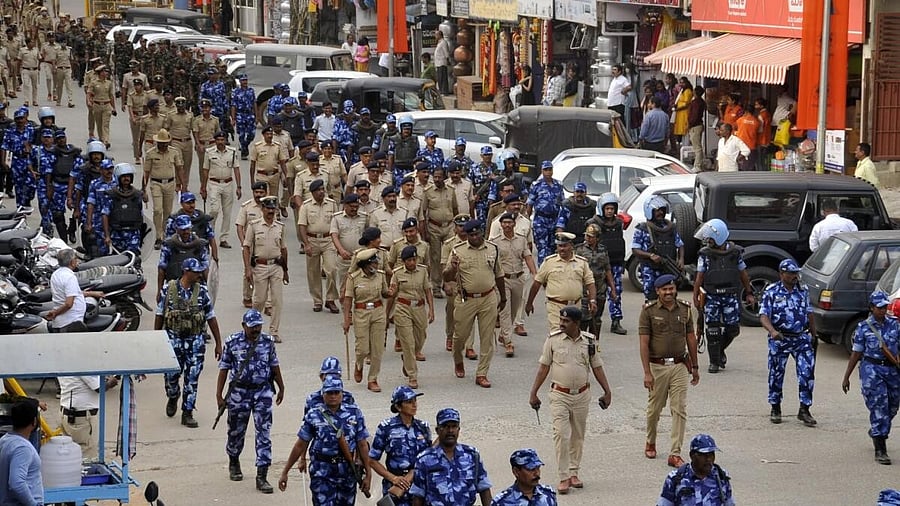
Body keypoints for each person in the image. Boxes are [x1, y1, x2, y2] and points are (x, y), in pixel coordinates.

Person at [528, 306, 612, 495]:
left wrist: (607, 391)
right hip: (559, 394)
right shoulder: (553, 340)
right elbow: (543, 368)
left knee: (578, 435)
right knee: (561, 434)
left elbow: (597, 367)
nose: (562, 324)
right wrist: (534, 392)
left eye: (566, 321)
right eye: (561, 320)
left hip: (582, 395)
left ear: (576, 323)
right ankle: (564, 476)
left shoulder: (589, 342)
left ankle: (574, 472)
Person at [217, 308, 284, 492]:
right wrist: (219, 395)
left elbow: (274, 364)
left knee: (264, 434)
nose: (256, 330)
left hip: (262, 392)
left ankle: (262, 476)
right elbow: (223, 368)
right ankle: (234, 460)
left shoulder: (267, 342)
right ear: (244, 326)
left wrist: (281, 387)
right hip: (239, 393)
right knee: (236, 431)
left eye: (258, 326)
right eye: (252, 327)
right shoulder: (232, 342)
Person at [278, 377, 372, 503]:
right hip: (322, 472)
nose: (333, 396)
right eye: (329, 393)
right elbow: (300, 445)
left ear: (342, 394)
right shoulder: (313, 415)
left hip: (347, 472)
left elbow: (362, 444)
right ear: (323, 394)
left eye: (336, 392)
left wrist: (368, 473)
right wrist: (285, 471)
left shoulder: (354, 413)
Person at [639, 274, 700, 468]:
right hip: (657, 367)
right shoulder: (648, 311)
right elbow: (644, 343)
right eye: (664, 289)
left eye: (671, 289)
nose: (669, 292)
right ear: (657, 291)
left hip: (680, 365)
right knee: (654, 410)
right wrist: (647, 372)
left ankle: (675, 453)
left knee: (679, 409)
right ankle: (651, 440)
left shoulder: (685, 309)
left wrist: (695, 366)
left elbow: (691, 338)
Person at [156, 258, 222, 428]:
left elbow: (211, 317)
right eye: (196, 272)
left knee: (192, 378)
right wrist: (156, 341)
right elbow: (159, 315)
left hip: (195, 341)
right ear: (186, 271)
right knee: (171, 377)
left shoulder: (202, 292)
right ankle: (173, 395)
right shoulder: (168, 289)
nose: (200, 274)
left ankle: (187, 412)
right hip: (173, 340)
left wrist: (218, 343)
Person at [444, 220, 507, 388]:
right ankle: (458, 360)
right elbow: (447, 277)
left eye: (477, 234)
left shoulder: (492, 249)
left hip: (488, 297)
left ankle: (482, 373)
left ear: (481, 233)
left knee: (487, 338)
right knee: (460, 336)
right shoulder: (458, 250)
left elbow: (499, 273)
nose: (474, 237)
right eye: (470, 235)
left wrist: (503, 297)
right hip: (466, 299)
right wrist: (453, 267)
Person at [842, 290, 900, 465]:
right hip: (872, 370)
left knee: (892, 407)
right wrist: (847, 377)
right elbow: (856, 353)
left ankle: (877, 429)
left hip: (892, 371)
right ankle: (880, 446)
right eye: (879, 307)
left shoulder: (895, 324)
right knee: (879, 407)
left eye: (885, 307)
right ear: (871, 308)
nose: (883, 310)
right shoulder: (864, 327)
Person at [759, 259, 817, 427]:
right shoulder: (771, 291)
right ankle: (775, 407)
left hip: (801, 338)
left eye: (795, 273)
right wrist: (772, 331)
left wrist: (814, 335)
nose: (794, 276)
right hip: (780, 338)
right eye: (790, 273)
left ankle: (804, 409)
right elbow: (763, 316)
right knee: (776, 374)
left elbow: (809, 312)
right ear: (781, 274)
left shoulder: (803, 290)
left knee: (807, 374)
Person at [692, 219, 754, 373]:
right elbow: (699, 276)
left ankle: (719, 349)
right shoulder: (705, 254)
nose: (707, 241)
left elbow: (743, 274)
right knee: (712, 329)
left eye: (710, 238)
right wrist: (696, 295)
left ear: (719, 237)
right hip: (712, 296)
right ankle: (714, 361)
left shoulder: (735, 253)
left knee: (733, 329)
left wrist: (749, 292)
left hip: (730, 295)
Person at [409, 408, 492, 506]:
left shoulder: (472, 455)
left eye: (454, 426)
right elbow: (418, 496)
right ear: (437, 430)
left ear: (459, 429)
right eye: (445, 426)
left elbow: (484, 489)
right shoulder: (424, 459)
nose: (450, 431)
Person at [369, 386, 432, 505]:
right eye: (409, 402)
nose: (414, 405)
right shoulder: (386, 427)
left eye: (415, 401)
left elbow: (429, 456)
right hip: (395, 484)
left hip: (419, 485)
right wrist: (393, 478)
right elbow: (372, 460)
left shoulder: (423, 427)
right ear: (398, 406)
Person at [342, 248, 393, 392]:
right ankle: (359, 364)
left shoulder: (380, 276)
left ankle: (373, 379)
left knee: (377, 349)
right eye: (374, 263)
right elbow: (348, 300)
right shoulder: (354, 278)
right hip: (361, 312)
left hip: (378, 312)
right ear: (366, 264)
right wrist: (347, 319)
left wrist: (391, 292)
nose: (377, 265)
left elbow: (385, 293)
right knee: (362, 348)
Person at [526, 232, 596, 332]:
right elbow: (537, 283)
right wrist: (529, 303)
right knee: (558, 334)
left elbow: (590, 283)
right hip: (555, 306)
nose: (562, 249)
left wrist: (592, 300)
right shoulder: (549, 262)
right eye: (559, 246)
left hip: (575, 306)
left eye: (565, 246)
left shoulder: (582, 262)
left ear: (571, 246)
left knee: (573, 334)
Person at [242, 196, 288, 341]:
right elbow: (246, 248)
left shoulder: (280, 227)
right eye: (268, 208)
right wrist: (248, 268)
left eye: (273, 209)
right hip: (260, 267)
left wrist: (286, 270)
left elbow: (284, 249)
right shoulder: (254, 226)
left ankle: (274, 331)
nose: (270, 211)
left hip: (276, 266)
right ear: (262, 209)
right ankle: (252, 327)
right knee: (259, 300)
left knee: (277, 300)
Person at [390, 245, 434, 387]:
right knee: (408, 342)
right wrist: (386, 314)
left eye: (414, 259)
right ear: (403, 261)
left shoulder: (422, 271)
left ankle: (409, 358)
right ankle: (412, 375)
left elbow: (427, 290)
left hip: (419, 307)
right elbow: (392, 295)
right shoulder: (397, 273)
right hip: (403, 307)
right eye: (409, 260)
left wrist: (431, 309)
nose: (412, 263)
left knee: (420, 337)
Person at [496, 212, 537, 357]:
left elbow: (528, 257)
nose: (507, 225)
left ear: (514, 224)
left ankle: (504, 333)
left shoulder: (521, 240)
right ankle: (508, 342)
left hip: (518, 278)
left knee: (514, 309)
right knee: (505, 310)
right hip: (503, 279)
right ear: (501, 225)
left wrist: (534, 273)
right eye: (504, 223)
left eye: (510, 222)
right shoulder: (495, 242)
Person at [586, 192, 628, 335]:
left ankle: (616, 321)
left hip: (615, 263)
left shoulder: (618, 223)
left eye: (612, 208)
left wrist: (622, 262)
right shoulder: (594, 223)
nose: (610, 211)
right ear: (602, 208)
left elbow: (620, 242)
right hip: (598, 264)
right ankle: (590, 320)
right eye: (607, 208)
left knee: (616, 293)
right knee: (595, 293)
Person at [632, 196, 684, 302]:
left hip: (668, 267)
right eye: (657, 211)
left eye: (662, 210)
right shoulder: (642, 229)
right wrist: (650, 255)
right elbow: (635, 249)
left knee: (670, 296)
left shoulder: (671, 228)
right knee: (651, 297)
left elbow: (680, 244)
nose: (660, 213)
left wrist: (681, 259)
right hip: (650, 268)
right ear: (649, 211)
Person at [657, 434, 734, 506]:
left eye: (711, 454)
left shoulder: (721, 477)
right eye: (704, 455)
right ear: (692, 456)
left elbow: (729, 503)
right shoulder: (675, 478)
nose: (709, 459)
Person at [299, 178, 340, 312]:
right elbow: (302, 226)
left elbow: (337, 222)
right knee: (313, 272)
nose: (321, 192)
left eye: (322, 189)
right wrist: (306, 244)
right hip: (312, 240)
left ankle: (330, 298)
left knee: (332, 269)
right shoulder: (306, 206)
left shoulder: (332, 204)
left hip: (328, 240)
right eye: (318, 190)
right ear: (312, 193)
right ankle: (317, 300)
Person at [58, 372, 118, 460]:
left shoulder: (64, 362)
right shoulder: (82, 365)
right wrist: (111, 383)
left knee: (70, 454)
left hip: (68, 412)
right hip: (81, 417)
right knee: (86, 456)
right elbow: (99, 387)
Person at [143, 128, 185, 248]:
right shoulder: (151, 153)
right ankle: (158, 236)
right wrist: (143, 189)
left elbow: (179, 169)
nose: (163, 145)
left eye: (165, 143)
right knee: (157, 210)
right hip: (156, 183)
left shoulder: (174, 152)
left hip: (170, 183)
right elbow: (146, 172)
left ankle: (166, 234)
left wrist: (183, 186)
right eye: (161, 143)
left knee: (167, 211)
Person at [574, 224, 618, 337]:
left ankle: (594, 344)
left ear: (597, 238)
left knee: (596, 319)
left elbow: (607, 270)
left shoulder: (603, 250)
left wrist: (612, 289)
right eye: (587, 236)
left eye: (591, 236)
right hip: (584, 291)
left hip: (600, 289)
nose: (588, 238)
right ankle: (582, 343)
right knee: (583, 319)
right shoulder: (579, 249)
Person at [45, 248, 101, 332]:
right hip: (70, 322)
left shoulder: (56, 274)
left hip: (62, 321)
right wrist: (55, 313)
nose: (77, 260)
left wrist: (92, 293)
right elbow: (68, 304)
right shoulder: (69, 277)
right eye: (75, 258)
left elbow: (74, 293)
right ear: (71, 262)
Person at [202, 131, 241, 248]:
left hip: (228, 183)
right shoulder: (209, 152)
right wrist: (203, 187)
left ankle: (224, 238)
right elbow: (205, 170)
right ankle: (210, 234)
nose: (220, 142)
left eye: (222, 139)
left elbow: (236, 169)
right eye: (218, 140)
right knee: (214, 210)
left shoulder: (232, 152)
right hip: (214, 183)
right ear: (215, 141)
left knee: (227, 213)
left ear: (225, 140)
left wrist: (239, 186)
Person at [0, 399, 42, 506]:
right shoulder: (23, 448)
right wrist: (33, 504)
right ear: (34, 421)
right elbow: (16, 483)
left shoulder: (5, 440)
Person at [525, 161, 564, 264]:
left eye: (550, 169)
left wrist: (561, 223)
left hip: (554, 220)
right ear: (542, 171)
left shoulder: (558, 185)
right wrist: (526, 221)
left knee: (553, 248)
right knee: (543, 248)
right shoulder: (536, 185)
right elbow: (529, 204)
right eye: (545, 170)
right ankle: (542, 273)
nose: (548, 172)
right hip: (540, 221)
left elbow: (563, 204)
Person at [102, 163, 145, 257]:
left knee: (134, 260)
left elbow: (141, 215)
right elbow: (105, 215)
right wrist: (107, 235)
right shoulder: (111, 195)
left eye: (129, 176)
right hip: (117, 234)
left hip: (133, 234)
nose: (126, 179)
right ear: (118, 178)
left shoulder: (137, 195)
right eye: (124, 176)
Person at [491, 449, 556, 506]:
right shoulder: (501, 502)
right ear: (516, 472)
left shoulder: (548, 493)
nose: (537, 473)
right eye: (531, 469)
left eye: (538, 468)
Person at [687, 86, 706, 171]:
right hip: (698, 125)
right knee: (697, 146)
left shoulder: (696, 103)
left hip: (695, 126)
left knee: (697, 147)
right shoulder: (702, 102)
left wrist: (690, 124)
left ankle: (697, 166)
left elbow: (694, 116)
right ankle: (698, 164)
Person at [433, 29, 451, 95]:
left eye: (436, 35)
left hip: (442, 62)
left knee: (443, 78)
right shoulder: (439, 42)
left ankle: (444, 91)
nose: (435, 36)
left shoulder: (443, 42)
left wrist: (447, 60)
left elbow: (446, 52)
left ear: (439, 35)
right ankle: (441, 90)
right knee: (439, 78)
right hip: (438, 63)